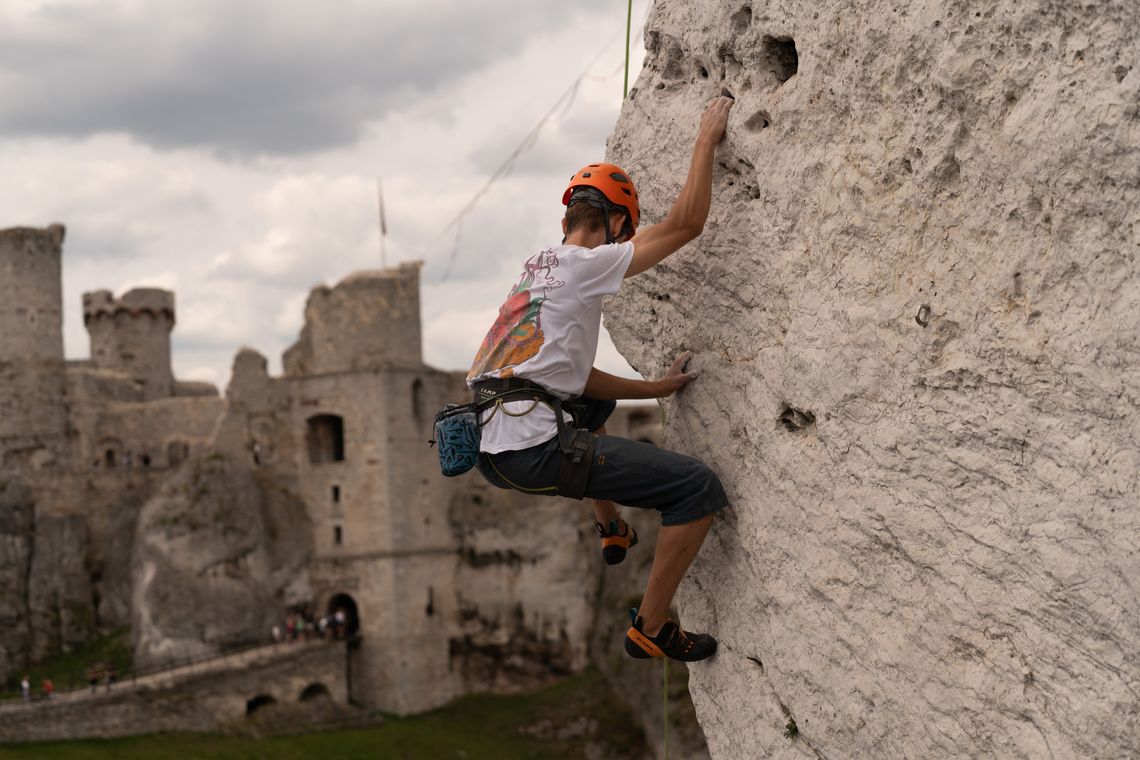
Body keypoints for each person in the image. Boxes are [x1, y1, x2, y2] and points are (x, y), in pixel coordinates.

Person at [466, 95, 735, 662]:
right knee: (697, 488)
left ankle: (611, 530)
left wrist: (656, 390)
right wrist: (705, 138)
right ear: (614, 223)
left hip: (494, 447)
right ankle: (652, 627)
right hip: (535, 449)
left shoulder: (536, 270)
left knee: (589, 409)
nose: (624, 242)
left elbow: (577, 379)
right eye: (624, 231)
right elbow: (687, 224)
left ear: (567, 219)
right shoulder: (590, 263)